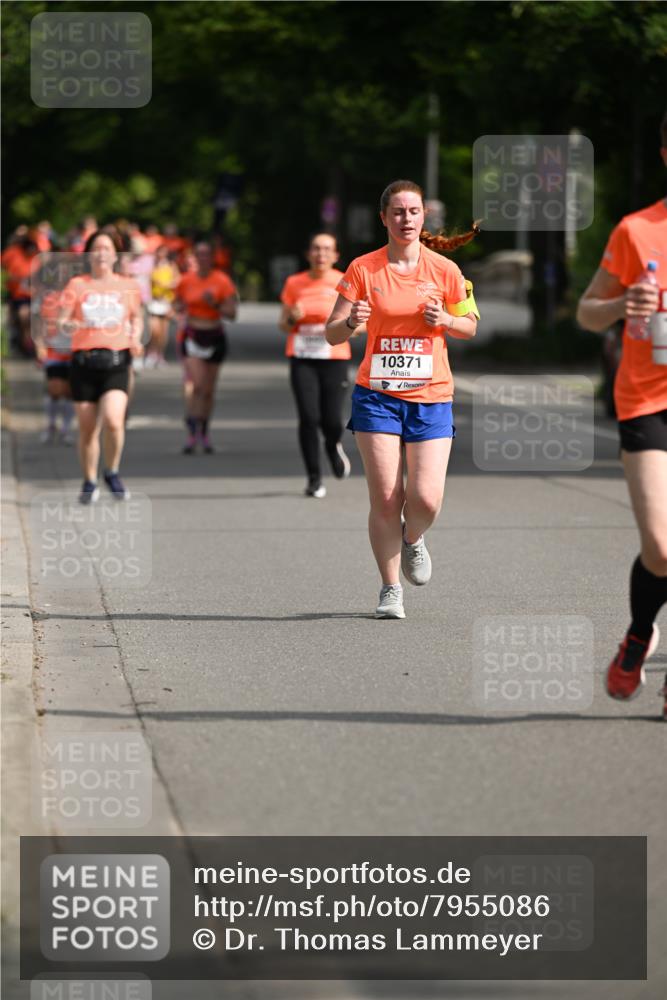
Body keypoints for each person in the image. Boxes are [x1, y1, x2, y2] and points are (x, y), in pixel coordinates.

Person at [326, 179, 479, 618]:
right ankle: (390, 588)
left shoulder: (445, 270)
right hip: (377, 397)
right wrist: (351, 321)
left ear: (423, 216)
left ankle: (413, 538)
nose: (405, 219)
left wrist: (445, 318)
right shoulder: (363, 269)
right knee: (387, 498)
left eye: (413, 211)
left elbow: (470, 326)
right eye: (397, 212)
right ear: (384, 218)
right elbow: (331, 332)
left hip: (432, 397)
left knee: (426, 499)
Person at [576, 113, 667, 718]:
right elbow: (587, 312)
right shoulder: (637, 231)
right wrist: (620, 303)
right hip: (647, 399)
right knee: (661, 546)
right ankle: (638, 635)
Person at [58, 230, 143, 503]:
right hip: (84, 362)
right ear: (89, 254)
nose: (102, 253)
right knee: (87, 428)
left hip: (116, 362)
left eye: (107, 248)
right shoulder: (77, 285)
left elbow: (136, 317)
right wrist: (70, 324)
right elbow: (61, 321)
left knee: (114, 421)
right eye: (97, 248)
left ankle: (112, 471)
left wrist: (135, 338)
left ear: (116, 255)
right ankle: (89, 480)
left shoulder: (128, 285)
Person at [279, 233, 352, 498]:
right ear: (308, 253)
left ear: (335, 255)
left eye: (327, 249)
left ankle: (332, 445)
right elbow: (283, 325)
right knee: (309, 417)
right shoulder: (294, 283)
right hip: (302, 357)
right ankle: (314, 478)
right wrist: (292, 318)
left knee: (331, 420)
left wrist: (340, 327)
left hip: (334, 357)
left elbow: (360, 325)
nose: (321, 254)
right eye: (316, 249)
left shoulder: (345, 281)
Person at [174, 241, 238, 454]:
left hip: (215, 336)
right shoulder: (186, 280)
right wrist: (179, 307)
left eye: (206, 254)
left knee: (209, 390)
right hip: (193, 335)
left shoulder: (222, 281)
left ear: (212, 258)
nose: (202, 258)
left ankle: (204, 429)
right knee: (198, 385)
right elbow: (176, 303)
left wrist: (215, 304)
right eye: (199, 254)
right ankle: (192, 427)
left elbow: (232, 314)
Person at [33, 285, 74, 444]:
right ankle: (51, 424)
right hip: (53, 350)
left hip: (75, 351)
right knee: (54, 389)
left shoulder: (81, 296)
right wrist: (39, 345)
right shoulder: (49, 298)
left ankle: (66, 429)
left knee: (69, 391)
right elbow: (39, 323)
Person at [147, 245, 179, 367]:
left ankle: (160, 355)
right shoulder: (153, 265)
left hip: (166, 301)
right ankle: (151, 353)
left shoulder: (171, 265)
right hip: (154, 300)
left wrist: (168, 285)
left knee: (163, 332)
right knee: (154, 330)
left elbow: (177, 280)